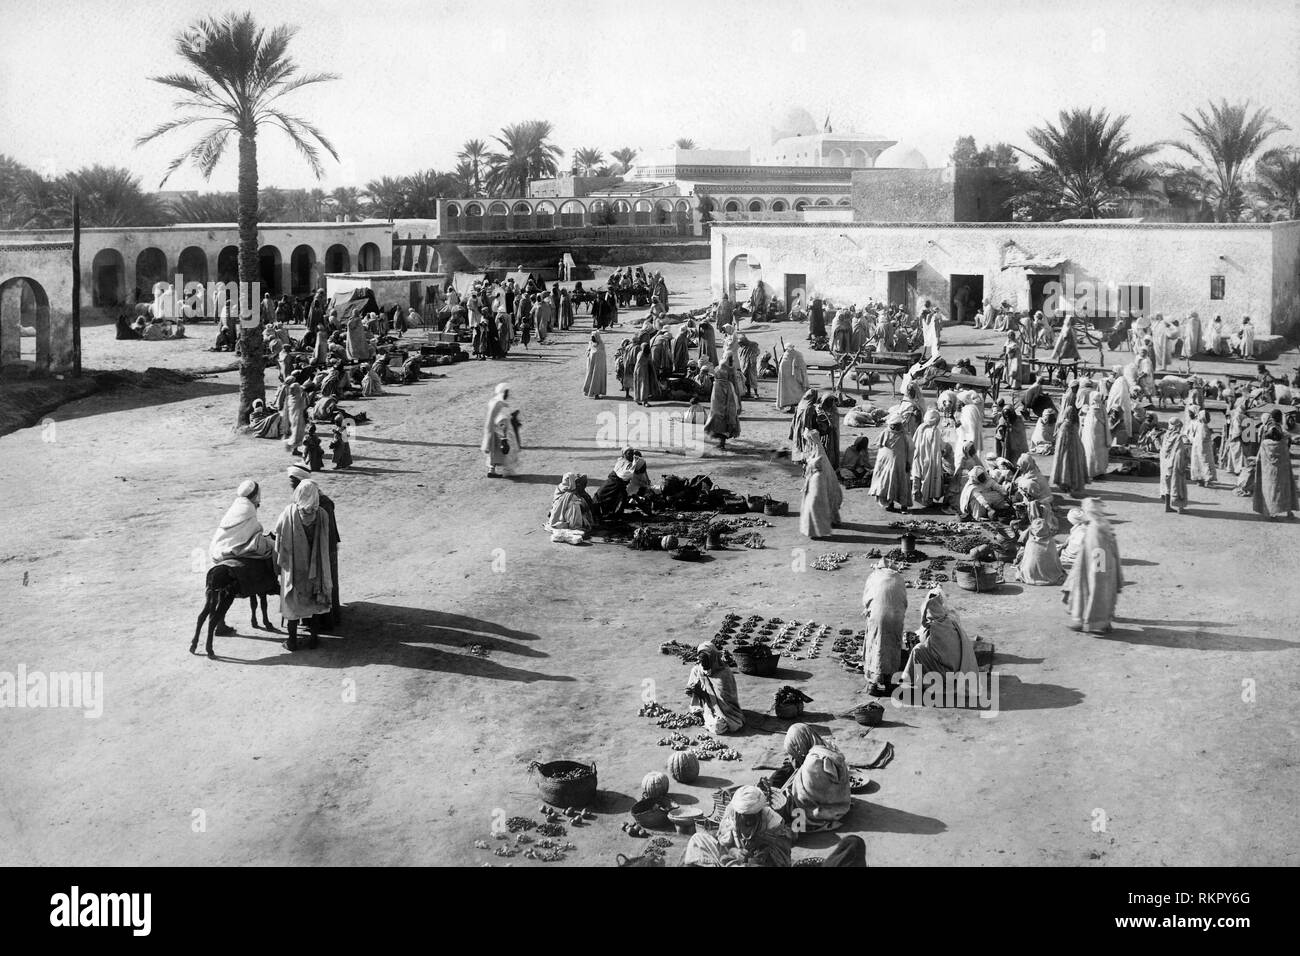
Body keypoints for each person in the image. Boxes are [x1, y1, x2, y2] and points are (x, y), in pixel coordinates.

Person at [207, 479, 278, 635]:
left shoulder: (236, 506)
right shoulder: (249, 509)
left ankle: (220, 624)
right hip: (238, 549)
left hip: (219, 550)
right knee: (270, 551)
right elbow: (253, 533)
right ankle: (270, 586)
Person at [272, 478, 333, 652]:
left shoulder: (288, 513)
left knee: (292, 603)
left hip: (294, 567)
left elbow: (279, 541)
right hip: (316, 568)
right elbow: (325, 542)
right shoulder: (322, 514)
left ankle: (292, 641)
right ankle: (313, 639)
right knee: (313, 603)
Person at [681, 785, 793, 867]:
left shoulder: (773, 823)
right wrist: (733, 851)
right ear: (738, 813)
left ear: (760, 812)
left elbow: (782, 856)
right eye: (745, 816)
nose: (749, 820)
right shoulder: (731, 814)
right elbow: (721, 842)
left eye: (753, 816)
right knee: (697, 839)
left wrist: (758, 857)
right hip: (731, 861)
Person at [1062, 497, 1121, 633]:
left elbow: (1098, 552)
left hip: (1095, 570)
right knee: (1100, 595)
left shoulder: (1095, 529)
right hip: (1101, 567)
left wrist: (1096, 575)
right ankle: (1101, 623)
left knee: (1092, 594)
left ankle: (1091, 622)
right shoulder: (1101, 523)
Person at [900, 588, 979, 687]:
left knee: (917, 651)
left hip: (948, 674)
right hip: (959, 668)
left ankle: (910, 681)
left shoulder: (934, 628)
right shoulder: (950, 621)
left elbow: (925, 644)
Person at [862, 563, 907, 695]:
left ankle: (873, 684)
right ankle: (888, 683)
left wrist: (868, 610)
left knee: (875, 646)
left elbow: (866, 599)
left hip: (878, 616)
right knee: (892, 647)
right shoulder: (898, 578)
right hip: (895, 616)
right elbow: (904, 601)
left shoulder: (874, 576)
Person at [685, 642, 744, 734]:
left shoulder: (724, 674)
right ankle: (702, 710)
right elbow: (692, 689)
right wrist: (692, 690)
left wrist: (703, 694)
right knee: (695, 670)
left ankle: (707, 715)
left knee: (718, 727)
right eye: (701, 660)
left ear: (713, 658)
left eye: (706, 661)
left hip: (724, 709)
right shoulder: (699, 669)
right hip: (707, 703)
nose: (703, 664)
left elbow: (725, 702)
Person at [1252, 413, 1297, 520]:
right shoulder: (1282, 445)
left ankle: (1272, 513)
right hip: (1283, 472)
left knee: (1270, 490)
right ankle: (1289, 512)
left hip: (1269, 473)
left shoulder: (1265, 443)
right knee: (1286, 489)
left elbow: (1259, 457)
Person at [799, 427, 842, 539]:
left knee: (817, 507)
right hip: (817, 482)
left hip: (819, 484)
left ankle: (819, 529)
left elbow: (814, 466)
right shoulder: (815, 449)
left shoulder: (818, 454)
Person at [871, 414, 913, 512]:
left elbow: (911, 450)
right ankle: (890, 504)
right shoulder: (885, 433)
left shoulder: (905, 435)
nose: (895, 427)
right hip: (887, 466)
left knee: (902, 484)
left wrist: (908, 462)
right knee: (889, 484)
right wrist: (880, 465)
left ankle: (904, 506)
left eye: (897, 425)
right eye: (893, 425)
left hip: (901, 465)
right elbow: (881, 449)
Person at [482, 383, 521, 478]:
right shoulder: (499, 404)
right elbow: (501, 419)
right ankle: (508, 471)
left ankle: (492, 470)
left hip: (492, 429)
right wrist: (504, 437)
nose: (508, 394)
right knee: (506, 451)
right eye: (506, 392)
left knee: (493, 450)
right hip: (501, 430)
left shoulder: (493, 401)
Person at [911, 409, 948, 508]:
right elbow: (939, 446)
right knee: (928, 479)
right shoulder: (934, 431)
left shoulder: (921, 428)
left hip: (920, 458)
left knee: (921, 478)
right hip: (930, 459)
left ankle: (921, 498)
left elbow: (914, 442)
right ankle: (927, 499)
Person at [704, 357, 741, 450]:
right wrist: (739, 402)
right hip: (721, 393)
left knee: (721, 416)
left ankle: (722, 442)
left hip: (721, 393)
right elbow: (735, 386)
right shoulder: (729, 369)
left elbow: (735, 386)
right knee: (723, 416)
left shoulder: (722, 369)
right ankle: (721, 442)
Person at [1050, 405, 1088, 496]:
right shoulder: (1074, 425)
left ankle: (1067, 487)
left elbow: (1061, 442)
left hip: (1065, 452)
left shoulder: (1065, 425)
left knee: (1065, 469)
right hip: (1075, 451)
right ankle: (1071, 487)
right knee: (1073, 469)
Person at [1017, 517, 1065, 585]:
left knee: (1022, 558)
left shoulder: (1030, 542)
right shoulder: (1051, 542)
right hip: (1050, 573)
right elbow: (1055, 561)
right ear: (1047, 529)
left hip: (1030, 573)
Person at [1159, 417, 1190, 514]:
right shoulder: (1178, 438)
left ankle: (1167, 506)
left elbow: (1162, 451)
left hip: (1165, 464)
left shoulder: (1165, 436)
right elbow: (1180, 453)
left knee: (1167, 485)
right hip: (1175, 465)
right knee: (1178, 486)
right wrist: (1184, 464)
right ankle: (1180, 508)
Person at [1081, 391, 1111, 480]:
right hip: (1101, 433)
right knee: (1100, 452)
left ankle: (1090, 471)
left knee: (1090, 451)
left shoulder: (1091, 409)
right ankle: (1099, 471)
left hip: (1091, 434)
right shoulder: (1102, 407)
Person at [1187, 408, 1217, 487]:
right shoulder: (1203, 426)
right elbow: (1204, 437)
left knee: (1197, 462)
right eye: (1207, 416)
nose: (1209, 418)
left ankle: (1199, 480)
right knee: (1206, 462)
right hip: (1204, 448)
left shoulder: (1197, 424)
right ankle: (1208, 481)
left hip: (1196, 447)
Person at [632, 341, 659, 406]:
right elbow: (649, 362)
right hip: (643, 372)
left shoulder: (640, 353)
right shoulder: (645, 355)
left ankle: (637, 399)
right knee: (644, 386)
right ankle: (645, 401)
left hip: (637, 371)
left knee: (638, 385)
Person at [583, 331, 607, 398]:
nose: (592, 338)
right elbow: (588, 353)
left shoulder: (600, 344)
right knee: (594, 377)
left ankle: (592, 392)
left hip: (598, 366)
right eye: (592, 337)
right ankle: (594, 394)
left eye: (593, 337)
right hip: (592, 365)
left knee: (594, 377)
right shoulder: (592, 344)